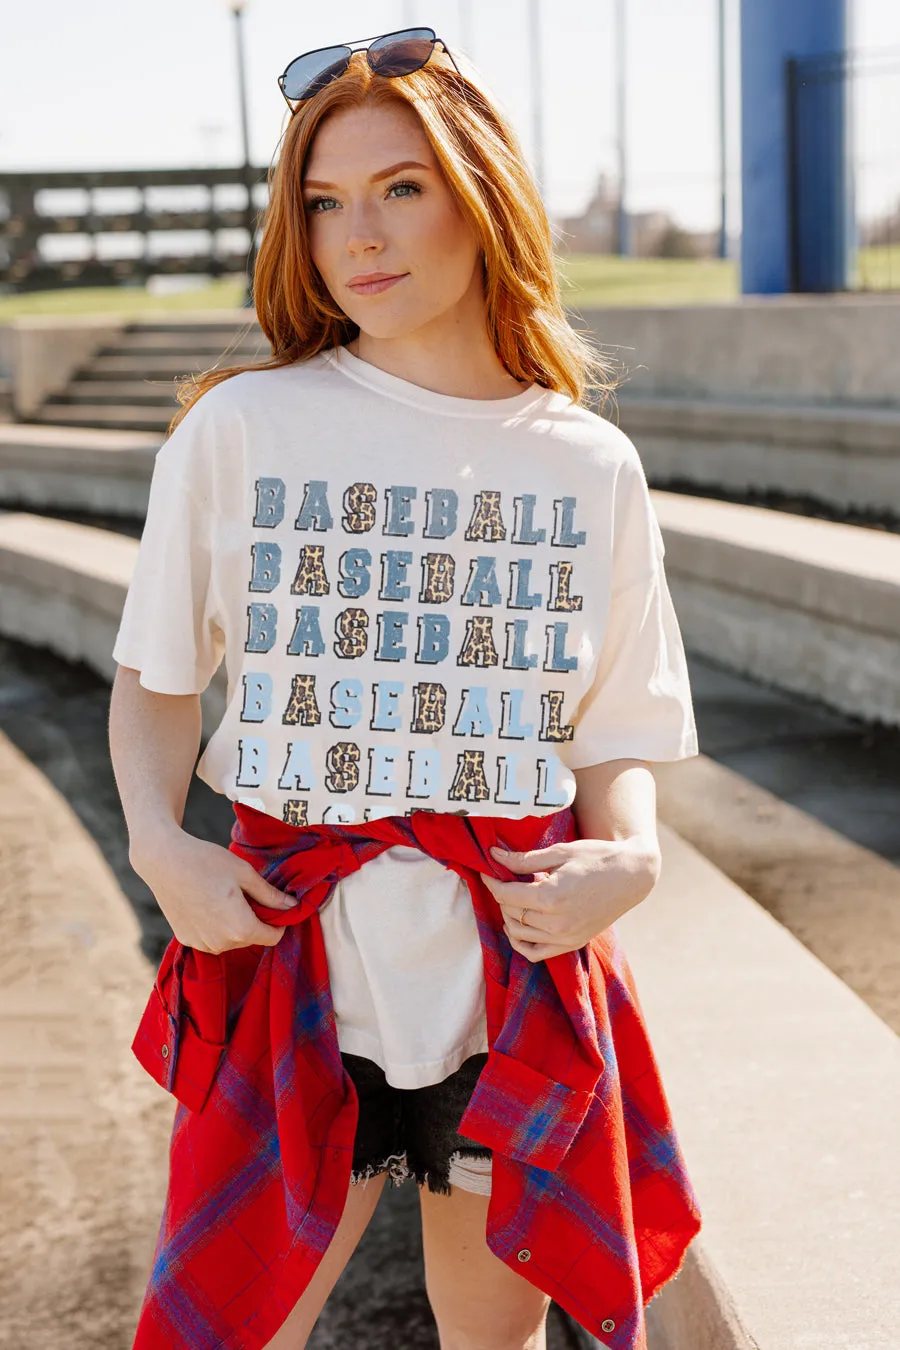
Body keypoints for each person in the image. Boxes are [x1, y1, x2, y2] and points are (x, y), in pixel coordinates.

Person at [108, 26, 701, 1350]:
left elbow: (615, 726)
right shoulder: (242, 428)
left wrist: (637, 856)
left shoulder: (589, 464)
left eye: (399, 189)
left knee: (492, 1332)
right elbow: (157, 681)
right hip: (288, 934)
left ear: (479, 193)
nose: (357, 236)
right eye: (324, 202)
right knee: (229, 1324)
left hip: (508, 949)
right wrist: (163, 848)